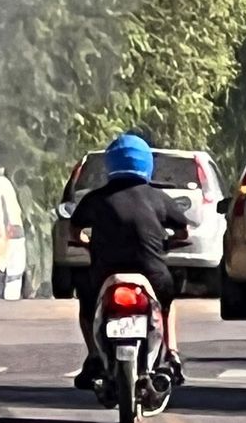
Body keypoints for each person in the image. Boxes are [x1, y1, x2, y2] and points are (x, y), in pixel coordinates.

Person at [69, 133, 195, 390]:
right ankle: (171, 353)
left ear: (110, 164)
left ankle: (94, 356)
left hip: (105, 274)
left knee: (87, 306)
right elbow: (184, 232)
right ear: (147, 163)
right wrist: (167, 242)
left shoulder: (94, 198)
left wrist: (86, 243)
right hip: (152, 273)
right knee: (166, 304)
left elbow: (74, 231)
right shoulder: (158, 198)